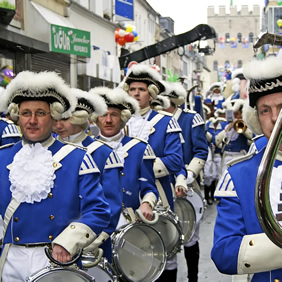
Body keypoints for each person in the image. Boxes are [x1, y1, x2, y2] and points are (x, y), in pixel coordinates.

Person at [0, 71, 111, 281]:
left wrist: (68, 241)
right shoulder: (2, 156)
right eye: (26, 113)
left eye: (40, 113)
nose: (32, 121)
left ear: (53, 117)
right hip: (9, 259)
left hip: (55, 259)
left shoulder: (78, 158)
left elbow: (98, 210)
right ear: (17, 117)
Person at [211, 54, 282, 281]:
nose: (275, 119)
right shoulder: (238, 174)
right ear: (257, 118)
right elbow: (224, 253)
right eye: (265, 111)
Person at [121, 64, 183, 281]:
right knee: (127, 255)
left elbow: (175, 161)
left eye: (142, 89)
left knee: (163, 253)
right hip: (125, 196)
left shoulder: (166, 121)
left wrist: (141, 168)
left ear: (151, 93)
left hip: (158, 194)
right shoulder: (118, 122)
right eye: (132, 89)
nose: (136, 93)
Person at [53, 87, 123, 262]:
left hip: (92, 241)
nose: (59, 125)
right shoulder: (47, 150)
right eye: (57, 119)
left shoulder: (103, 153)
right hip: (53, 240)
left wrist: (91, 242)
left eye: (66, 119)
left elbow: (112, 204)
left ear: (81, 119)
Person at [161, 81, 209, 282]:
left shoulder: (191, 119)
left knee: (190, 238)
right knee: (165, 241)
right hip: (161, 189)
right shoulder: (156, 121)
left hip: (187, 187)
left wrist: (188, 174)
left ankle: (193, 278)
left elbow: (201, 150)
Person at [91, 86, 158, 223]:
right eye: (103, 115)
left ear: (122, 118)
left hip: (130, 223)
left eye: (114, 115)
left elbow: (149, 188)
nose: (108, 120)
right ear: (96, 119)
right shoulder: (87, 149)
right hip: (95, 223)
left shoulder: (139, 148)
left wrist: (147, 203)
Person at [215, 94, 253, 175]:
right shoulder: (222, 124)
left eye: (237, 114)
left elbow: (251, 136)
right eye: (233, 114)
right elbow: (216, 141)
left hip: (241, 156)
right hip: (227, 157)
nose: (235, 116)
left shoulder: (245, 124)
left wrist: (243, 128)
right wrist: (227, 129)